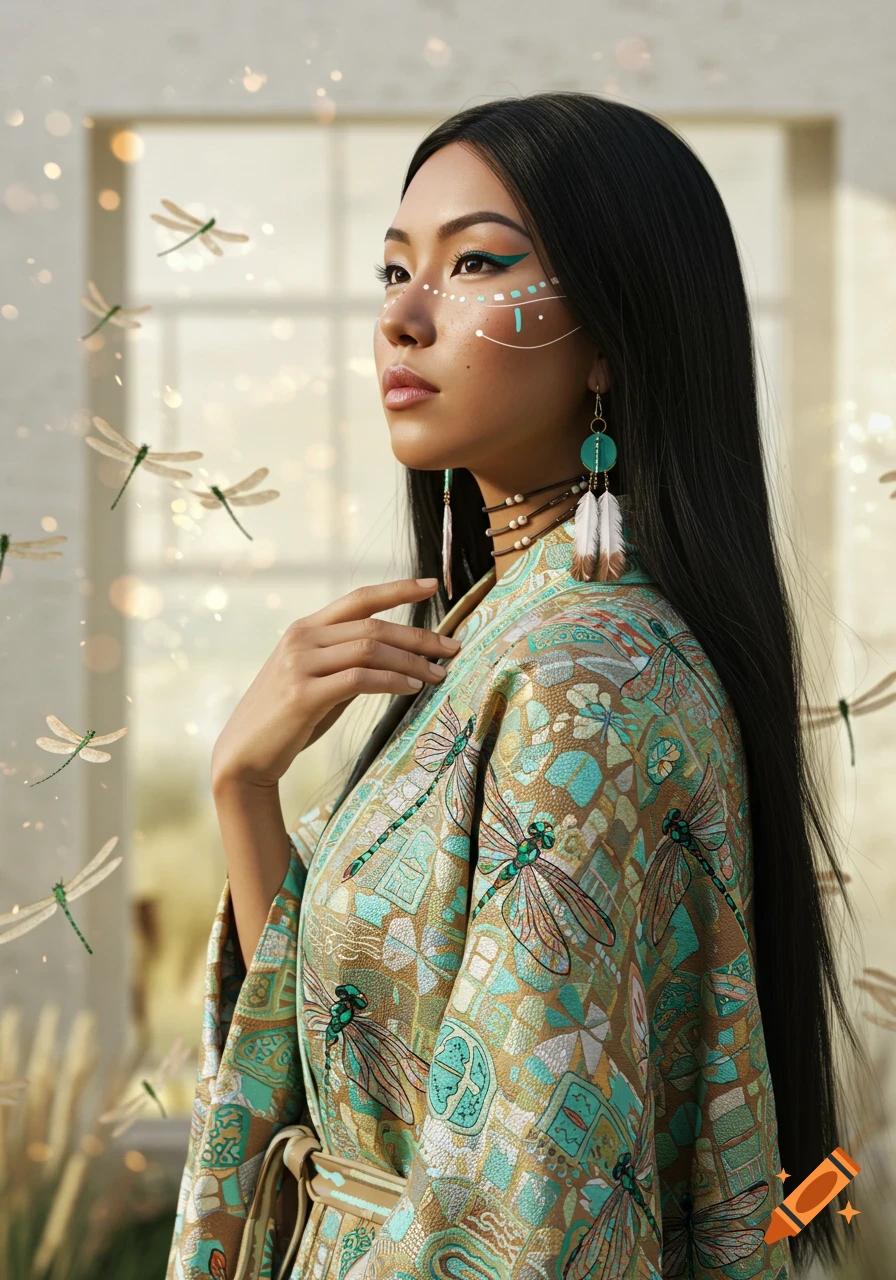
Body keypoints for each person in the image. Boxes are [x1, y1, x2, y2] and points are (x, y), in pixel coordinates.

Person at [166, 92, 859, 1279]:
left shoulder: (581, 678)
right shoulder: (501, 630)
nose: (402, 316)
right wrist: (243, 783)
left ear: (609, 335)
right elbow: (347, 1058)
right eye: (391, 270)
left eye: (475, 262)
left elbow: (526, 1207)